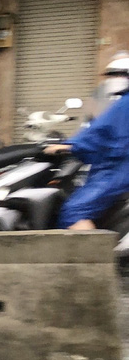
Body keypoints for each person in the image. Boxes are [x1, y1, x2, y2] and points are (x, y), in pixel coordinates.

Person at [45, 51, 129, 230]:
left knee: (74, 211)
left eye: (116, 74)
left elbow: (100, 134)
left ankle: (95, 257)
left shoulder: (124, 105)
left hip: (116, 169)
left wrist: (68, 146)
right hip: (114, 167)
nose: (111, 79)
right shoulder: (118, 102)